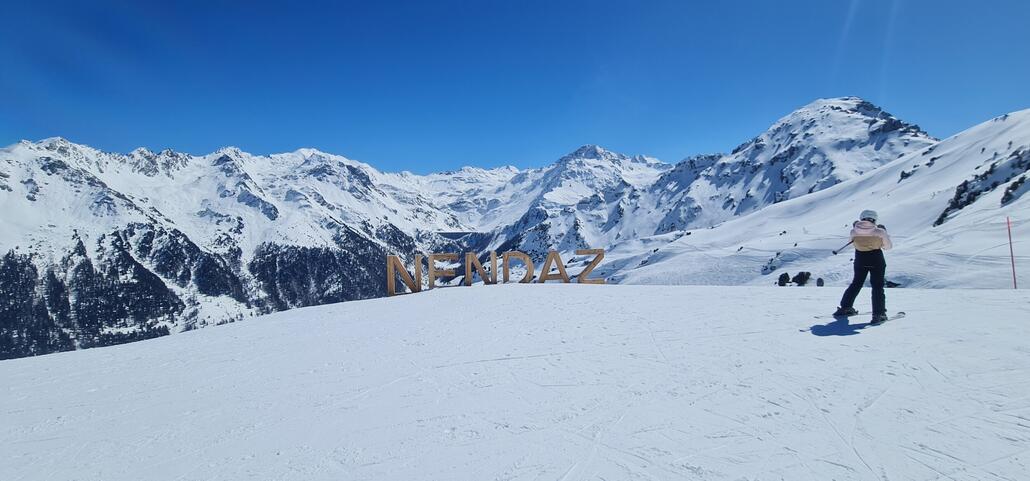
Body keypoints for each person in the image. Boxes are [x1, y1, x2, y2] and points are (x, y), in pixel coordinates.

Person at [833, 210, 893, 324]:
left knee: (856, 283)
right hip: (876, 259)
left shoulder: (853, 231)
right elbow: (888, 247)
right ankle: (878, 314)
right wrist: (884, 232)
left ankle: (845, 307)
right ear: (874, 219)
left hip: (860, 259)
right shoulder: (879, 231)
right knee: (877, 286)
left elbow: (852, 243)